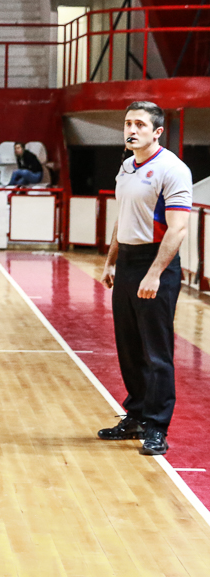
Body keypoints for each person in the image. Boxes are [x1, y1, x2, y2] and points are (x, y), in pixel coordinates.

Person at [98, 101, 192, 456]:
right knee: (129, 347)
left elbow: (178, 228)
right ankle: (135, 416)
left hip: (157, 264)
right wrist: (111, 262)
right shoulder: (125, 167)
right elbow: (122, 219)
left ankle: (156, 427)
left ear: (157, 132)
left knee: (156, 352)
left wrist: (154, 273)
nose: (131, 130)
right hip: (127, 264)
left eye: (139, 124)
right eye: (127, 123)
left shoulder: (172, 169)